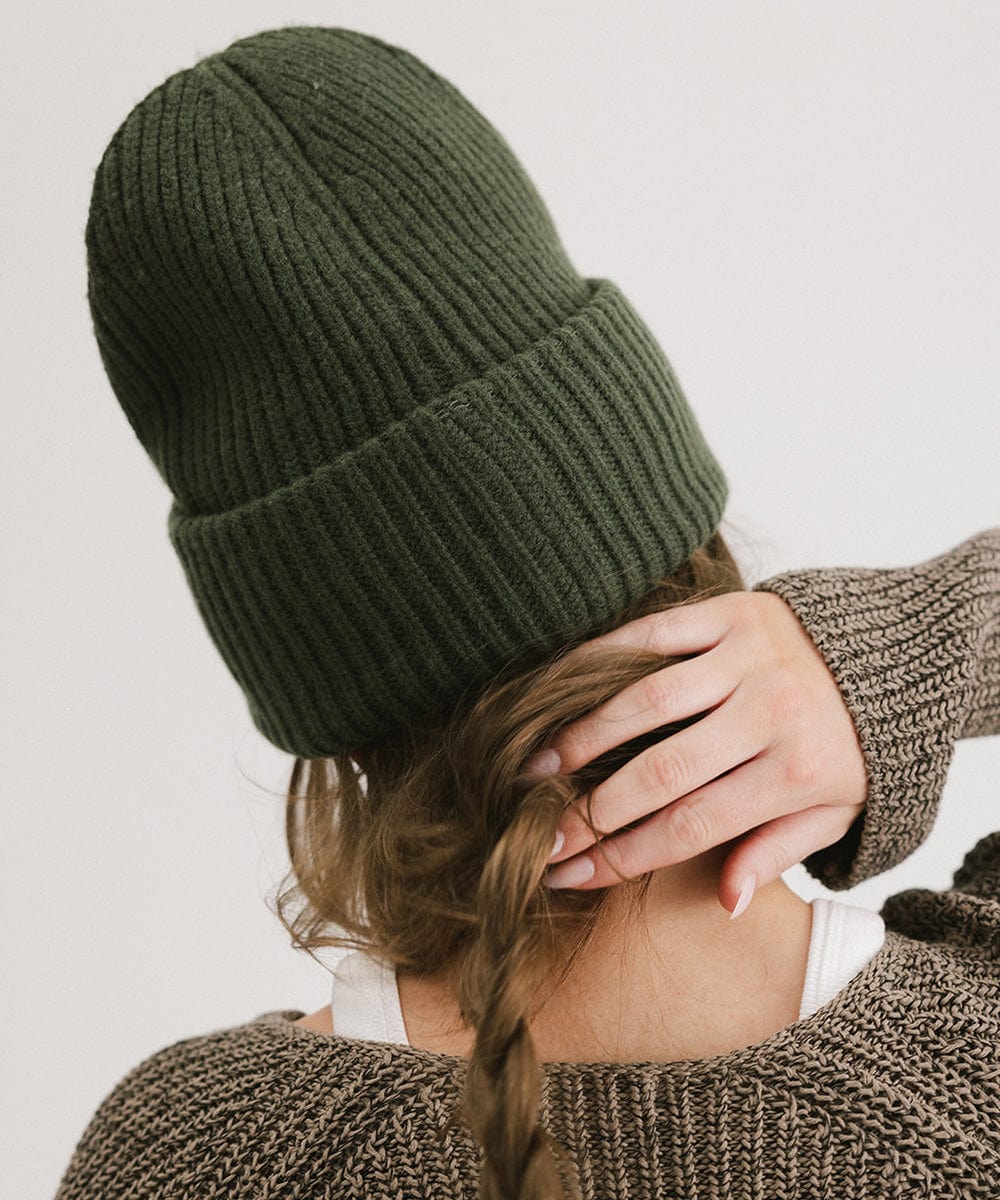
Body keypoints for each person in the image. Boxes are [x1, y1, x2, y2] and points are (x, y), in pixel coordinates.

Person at [57, 23, 999, 1200]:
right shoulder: (974, 1060)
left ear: (323, 703)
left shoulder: (201, 1159)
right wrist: (904, 654)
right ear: (687, 542)